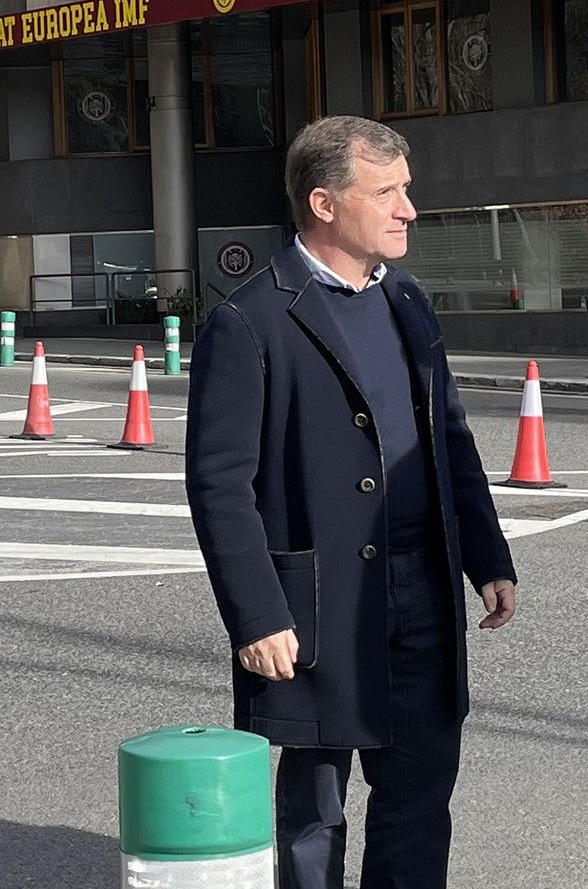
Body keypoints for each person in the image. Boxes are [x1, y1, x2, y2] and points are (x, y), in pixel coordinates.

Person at [185, 115, 517, 889]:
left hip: (422, 590)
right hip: (314, 607)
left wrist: (485, 557)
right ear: (326, 203)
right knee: (314, 809)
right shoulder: (250, 320)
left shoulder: (407, 299)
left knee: (419, 796)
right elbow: (219, 483)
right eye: (389, 192)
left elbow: (450, 439)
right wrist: (257, 613)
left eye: (407, 191)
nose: (408, 209)